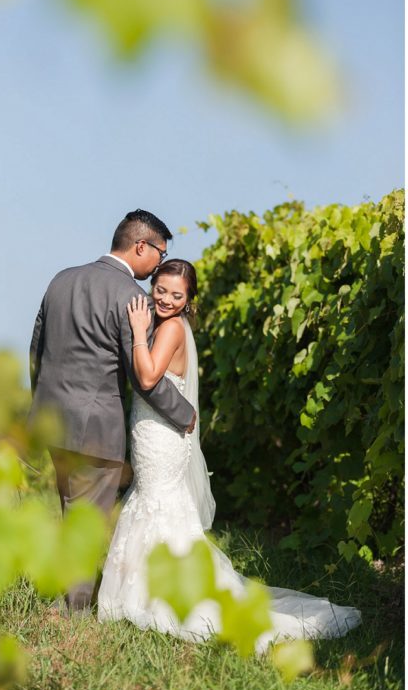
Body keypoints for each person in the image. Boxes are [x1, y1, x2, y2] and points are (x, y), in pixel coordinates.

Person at [97, 259, 362, 650]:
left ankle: (170, 596)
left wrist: (137, 331)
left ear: (189, 299)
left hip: (162, 440)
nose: (167, 299)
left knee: (157, 506)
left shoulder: (169, 328)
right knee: (153, 504)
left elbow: (150, 377)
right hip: (154, 434)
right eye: (161, 290)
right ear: (152, 286)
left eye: (177, 294)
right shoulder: (173, 326)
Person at [29, 210, 197, 612]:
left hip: (53, 419)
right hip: (96, 426)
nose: (159, 264)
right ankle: (76, 611)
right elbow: (146, 379)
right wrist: (185, 413)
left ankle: (61, 598)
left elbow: (37, 350)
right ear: (141, 246)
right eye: (159, 253)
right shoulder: (132, 298)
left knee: (71, 508)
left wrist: (42, 402)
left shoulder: (61, 280)